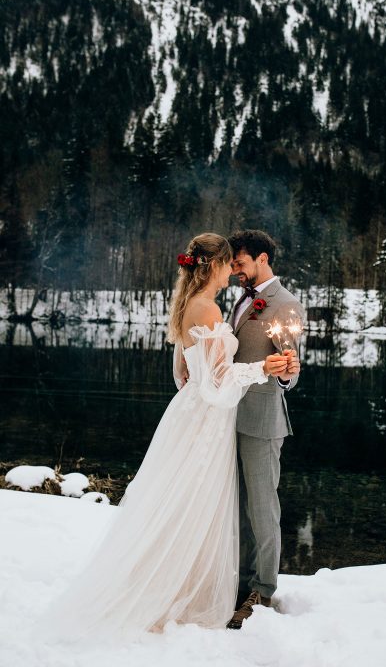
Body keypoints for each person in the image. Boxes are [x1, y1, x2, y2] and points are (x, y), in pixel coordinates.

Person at [29, 232, 298, 645]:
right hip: (211, 417)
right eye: (230, 264)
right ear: (215, 266)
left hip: (225, 417)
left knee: (228, 505)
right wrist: (260, 366)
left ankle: (256, 589)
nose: (234, 273)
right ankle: (189, 590)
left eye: (240, 264)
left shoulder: (237, 305)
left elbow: (193, 369)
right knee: (195, 504)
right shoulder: (209, 309)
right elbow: (215, 382)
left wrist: (279, 369)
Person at [226, 229, 304, 630]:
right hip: (228, 418)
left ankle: (264, 591)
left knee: (262, 509)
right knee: (236, 508)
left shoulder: (285, 304)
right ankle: (238, 584)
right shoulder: (242, 299)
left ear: (261, 258)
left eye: (240, 263)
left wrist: (287, 373)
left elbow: (292, 369)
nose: (236, 270)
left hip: (261, 421)